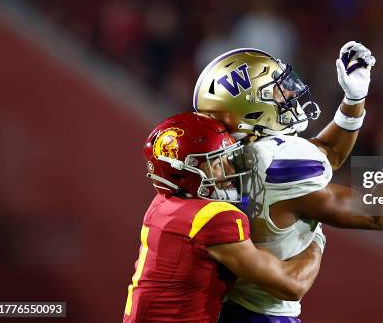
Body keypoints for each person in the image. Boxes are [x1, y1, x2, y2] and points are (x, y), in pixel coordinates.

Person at [193, 42, 383, 321]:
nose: (288, 93)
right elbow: (376, 213)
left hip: (222, 308)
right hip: (265, 315)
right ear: (250, 109)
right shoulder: (278, 164)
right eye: (275, 90)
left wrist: (353, 100)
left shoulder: (223, 157)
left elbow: (327, 152)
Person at [123, 112, 325, 323]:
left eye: (227, 158)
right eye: (217, 164)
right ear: (185, 173)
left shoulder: (162, 204)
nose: (230, 169)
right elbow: (292, 285)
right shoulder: (212, 217)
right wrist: (315, 236)